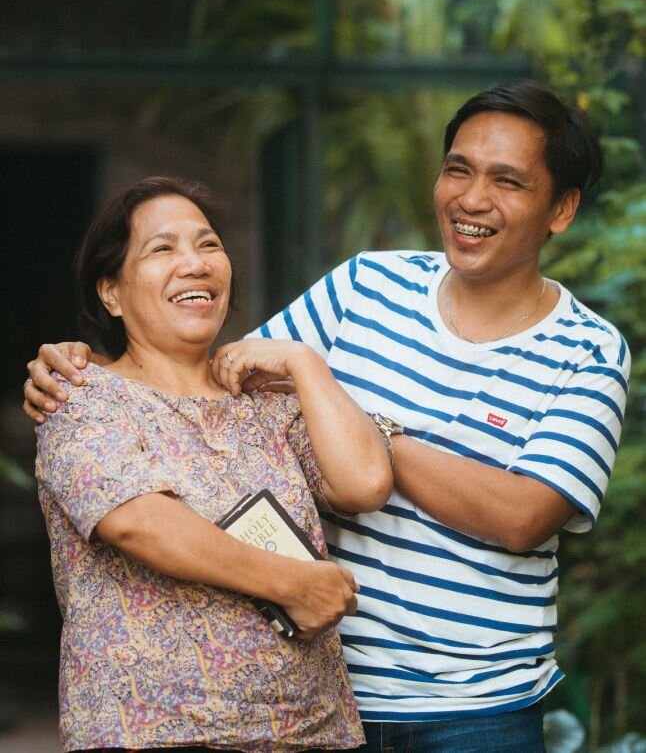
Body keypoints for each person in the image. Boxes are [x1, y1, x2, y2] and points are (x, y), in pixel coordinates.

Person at [24, 82, 630, 753]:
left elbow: (523, 516)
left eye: (507, 181)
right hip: (335, 696)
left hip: (475, 705)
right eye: (458, 169)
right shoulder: (364, 285)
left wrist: (338, 398)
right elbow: (207, 372)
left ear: (561, 208)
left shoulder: (589, 351)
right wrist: (82, 364)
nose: (472, 198)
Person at [31, 175, 394, 753]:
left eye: (208, 245)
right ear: (111, 294)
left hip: (309, 731)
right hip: (155, 733)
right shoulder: (80, 397)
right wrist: (297, 584)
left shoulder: (265, 404)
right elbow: (137, 521)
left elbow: (366, 483)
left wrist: (305, 364)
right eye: (162, 248)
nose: (194, 263)